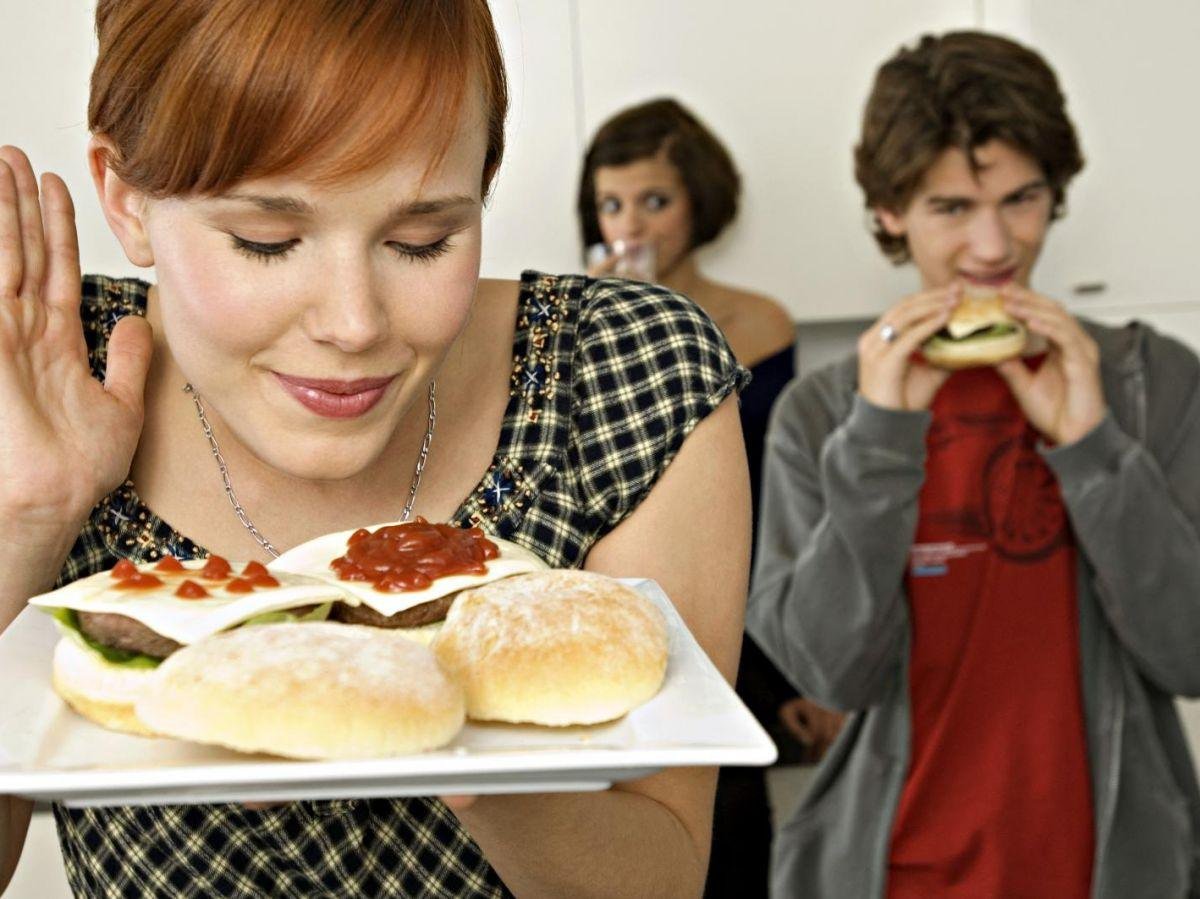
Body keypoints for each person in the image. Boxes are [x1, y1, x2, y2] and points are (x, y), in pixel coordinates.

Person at [0, 2, 753, 896]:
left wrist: (453, 724)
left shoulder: (623, 372)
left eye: (421, 241)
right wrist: (27, 522)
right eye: (267, 242)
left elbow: (661, 876)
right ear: (126, 200)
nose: (354, 324)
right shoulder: (42, 366)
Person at [748, 30, 1200, 898]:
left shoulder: (1152, 382)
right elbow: (830, 673)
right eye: (951, 208)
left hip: (1108, 873)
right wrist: (880, 439)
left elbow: (1190, 654)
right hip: (893, 874)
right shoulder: (824, 414)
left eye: (1021, 198)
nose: (994, 246)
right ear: (890, 212)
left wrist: (1093, 448)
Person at [578, 97, 842, 897]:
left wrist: (803, 674)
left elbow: (793, 502)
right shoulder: (577, 324)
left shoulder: (761, 322)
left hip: (749, 611)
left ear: (701, 202)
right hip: (623, 610)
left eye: (655, 200)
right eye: (611, 204)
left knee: (732, 831)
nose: (631, 225)